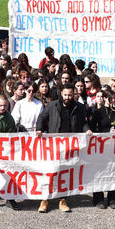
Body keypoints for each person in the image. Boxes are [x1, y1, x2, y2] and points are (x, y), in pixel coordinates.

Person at [35, 84, 87, 213]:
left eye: (70, 95)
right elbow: (42, 117)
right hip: (54, 145)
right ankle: (45, 200)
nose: (67, 97)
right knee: (50, 172)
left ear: (74, 94)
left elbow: (84, 122)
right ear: (61, 94)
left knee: (65, 172)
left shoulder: (79, 107)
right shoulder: (53, 105)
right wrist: (39, 129)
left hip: (70, 146)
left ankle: (62, 200)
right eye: (65, 95)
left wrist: (88, 130)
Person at [89, 89, 115, 209]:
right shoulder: (98, 112)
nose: (112, 101)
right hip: (100, 147)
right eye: (110, 99)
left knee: (113, 171)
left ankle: (112, 198)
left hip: (114, 147)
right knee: (99, 172)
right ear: (105, 99)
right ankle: (98, 198)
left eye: (114, 99)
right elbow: (92, 129)